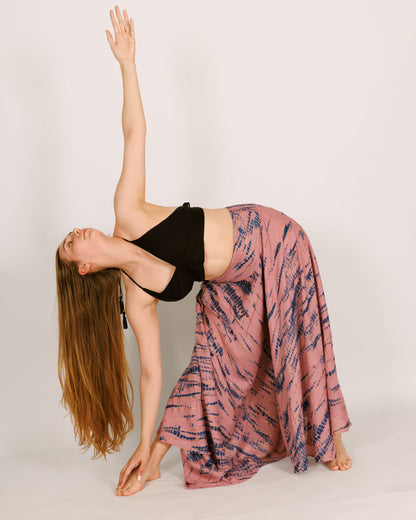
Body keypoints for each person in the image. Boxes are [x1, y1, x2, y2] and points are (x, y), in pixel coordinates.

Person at [55, 5, 352, 497]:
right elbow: (151, 374)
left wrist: (127, 64)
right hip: (228, 286)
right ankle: (152, 461)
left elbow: (135, 132)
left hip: (264, 237)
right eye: (73, 243)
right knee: (208, 370)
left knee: (300, 333)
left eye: (72, 232)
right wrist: (142, 445)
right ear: (85, 267)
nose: (78, 231)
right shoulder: (135, 297)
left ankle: (334, 438)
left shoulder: (126, 212)